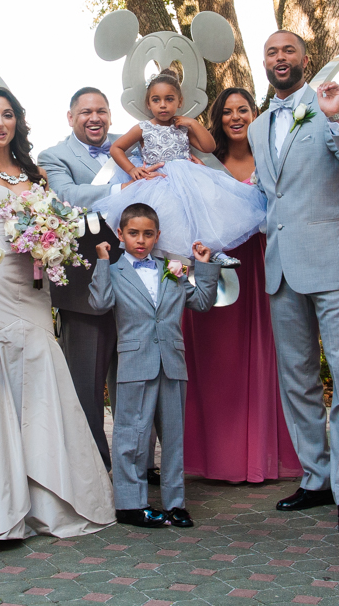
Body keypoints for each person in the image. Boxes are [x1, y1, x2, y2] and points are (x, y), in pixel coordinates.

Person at [0, 33, 115, 543]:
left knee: (40, 383)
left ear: (17, 123)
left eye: (7, 115)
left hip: (35, 293)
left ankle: (48, 502)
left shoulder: (36, 174)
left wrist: (51, 242)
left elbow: (57, 228)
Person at [248, 30, 339, 536]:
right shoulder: (259, 128)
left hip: (334, 263)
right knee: (296, 378)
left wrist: (337, 118)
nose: (280, 58)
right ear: (265, 62)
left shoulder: (328, 109)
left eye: (288, 51)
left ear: (306, 60)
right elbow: (266, 196)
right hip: (280, 266)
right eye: (272, 52)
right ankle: (316, 477)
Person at [182, 87, 302, 484]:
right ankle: (214, 457)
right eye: (228, 111)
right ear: (219, 118)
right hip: (215, 270)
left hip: (262, 264)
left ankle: (262, 456)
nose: (236, 117)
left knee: (266, 354)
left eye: (243, 110)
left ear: (255, 114)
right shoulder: (202, 162)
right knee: (216, 359)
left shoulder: (272, 160)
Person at [89, 204, 219, 529]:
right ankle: (130, 505)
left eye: (148, 234)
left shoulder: (172, 269)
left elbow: (201, 302)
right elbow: (100, 302)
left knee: (174, 438)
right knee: (131, 436)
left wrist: (203, 267)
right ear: (120, 235)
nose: (141, 240)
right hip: (135, 364)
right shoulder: (114, 271)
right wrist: (103, 263)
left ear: (157, 236)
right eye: (133, 233)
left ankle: (176, 504)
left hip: (173, 364)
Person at [38, 87, 124, 468]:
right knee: (87, 384)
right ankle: (93, 464)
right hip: (84, 286)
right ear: (70, 117)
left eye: (102, 111)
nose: (95, 118)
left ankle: (134, 462)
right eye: (86, 111)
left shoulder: (129, 145)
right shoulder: (53, 156)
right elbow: (69, 196)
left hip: (136, 281)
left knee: (134, 380)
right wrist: (127, 186)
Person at [99, 71, 265, 261]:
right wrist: (132, 169)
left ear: (179, 102)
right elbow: (117, 148)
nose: (163, 105)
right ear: (148, 103)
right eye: (156, 100)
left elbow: (209, 146)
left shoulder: (182, 127)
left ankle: (213, 250)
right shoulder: (143, 128)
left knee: (203, 211)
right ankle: (172, 261)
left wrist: (193, 123)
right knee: (170, 221)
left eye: (169, 99)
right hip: (159, 183)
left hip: (189, 178)